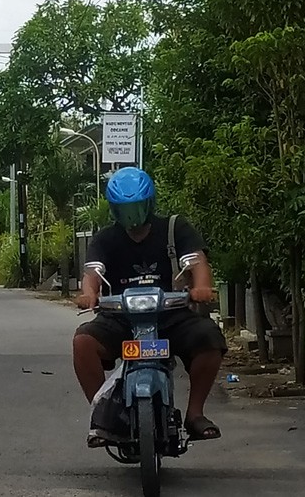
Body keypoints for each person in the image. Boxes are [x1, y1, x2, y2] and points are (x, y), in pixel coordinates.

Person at [73, 167, 226, 443]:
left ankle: (195, 413)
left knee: (209, 338)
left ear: (150, 204)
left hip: (171, 313)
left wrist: (201, 287)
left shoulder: (174, 228)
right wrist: (89, 294)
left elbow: (197, 262)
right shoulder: (105, 239)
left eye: (137, 208)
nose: (131, 216)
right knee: (83, 342)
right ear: (114, 210)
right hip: (121, 316)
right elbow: (92, 274)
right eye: (124, 209)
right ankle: (103, 415)